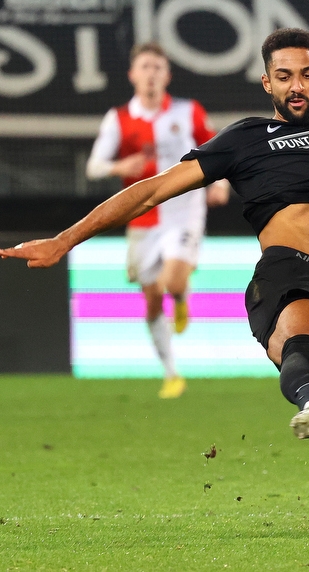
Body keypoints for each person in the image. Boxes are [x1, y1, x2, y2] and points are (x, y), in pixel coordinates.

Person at [0, 28, 309, 531]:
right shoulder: (245, 139)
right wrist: (65, 239)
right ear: (266, 83)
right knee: (304, 334)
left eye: (304, 75)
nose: (295, 86)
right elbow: (152, 190)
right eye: (283, 77)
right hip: (285, 270)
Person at [85, 42, 230, 400]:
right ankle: (171, 373)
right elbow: (94, 166)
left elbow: (218, 149)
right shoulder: (118, 118)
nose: (151, 73)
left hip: (184, 211)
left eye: (157, 67)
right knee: (151, 300)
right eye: (144, 67)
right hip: (141, 218)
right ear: (133, 75)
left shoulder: (188, 111)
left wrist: (222, 182)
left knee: (173, 279)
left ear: (167, 75)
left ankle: (180, 297)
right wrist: (120, 166)